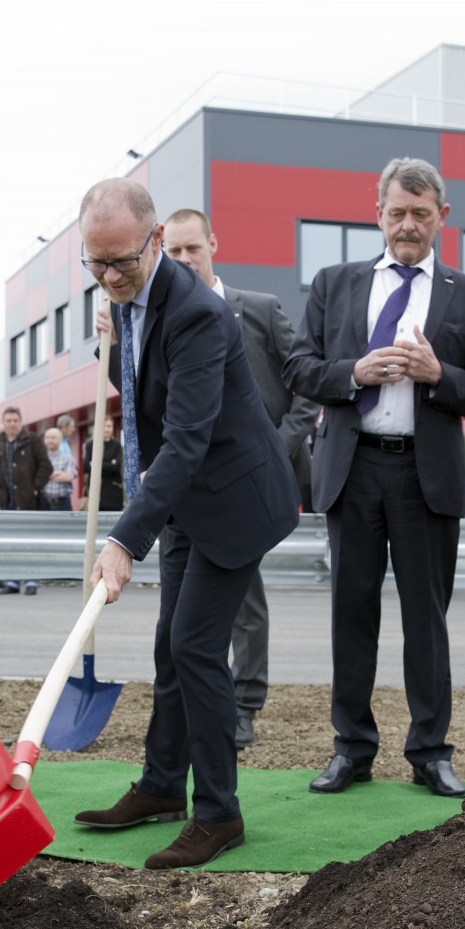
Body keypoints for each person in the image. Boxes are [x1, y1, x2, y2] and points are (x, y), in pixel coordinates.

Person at [72, 178, 299, 870]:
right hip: (184, 500)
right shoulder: (130, 304)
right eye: (96, 263)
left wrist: (124, 537)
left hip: (232, 500)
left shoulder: (199, 312)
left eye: (122, 262)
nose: (109, 277)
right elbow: (150, 396)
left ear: (155, 242)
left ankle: (219, 812)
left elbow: (186, 438)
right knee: (171, 646)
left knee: (196, 646)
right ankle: (163, 785)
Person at [284, 157, 465, 799]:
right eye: (398, 212)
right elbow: (299, 367)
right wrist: (354, 372)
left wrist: (438, 375)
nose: (409, 225)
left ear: (442, 217)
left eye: (421, 214)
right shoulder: (335, 283)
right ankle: (351, 748)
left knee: (426, 620)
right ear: (378, 213)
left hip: (425, 475)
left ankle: (430, 751)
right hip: (353, 469)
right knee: (351, 615)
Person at [161, 207, 318, 750]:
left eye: (192, 250)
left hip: (252, 485)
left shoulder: (258, 309)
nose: (183, 261)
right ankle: (199, 707)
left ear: (213, 246)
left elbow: (306, 382)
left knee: (244, 597)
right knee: (186, 610)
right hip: (191, 488)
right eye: (173, 252)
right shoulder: (163, 319)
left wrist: (279, 442)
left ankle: (245, 703)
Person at [0, 406, 49, 594]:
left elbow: (46, 466)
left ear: (21, 422)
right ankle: (11, 581)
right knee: (9, 543)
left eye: (15, 420)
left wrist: (34, 489)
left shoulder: (33, 441)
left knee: (30, 542)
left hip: (27, 502)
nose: (12, 424)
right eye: (9, 420)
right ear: (3, 423)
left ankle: (30, 581)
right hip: (4, 502)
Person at [81, 415, 125, 512]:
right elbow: (86, 468)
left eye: (109, 426)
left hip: (113, 495)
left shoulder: (116, 446)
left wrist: (96, 464)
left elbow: (116, 467)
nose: (106, 429)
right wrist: (109, 465)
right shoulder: (90, 445)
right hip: (95, 494)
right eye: (104, 426)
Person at [41, 427, 76, 511]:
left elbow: (69, 477)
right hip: (44, 502)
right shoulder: (41, 458)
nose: (50, 440)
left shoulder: (68, 458)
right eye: (47, 437)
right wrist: (59, 473)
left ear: (60, 440)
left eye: (53, 437)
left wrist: (47, 474)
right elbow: (38, 475)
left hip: (63, 502)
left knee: (65, 524)